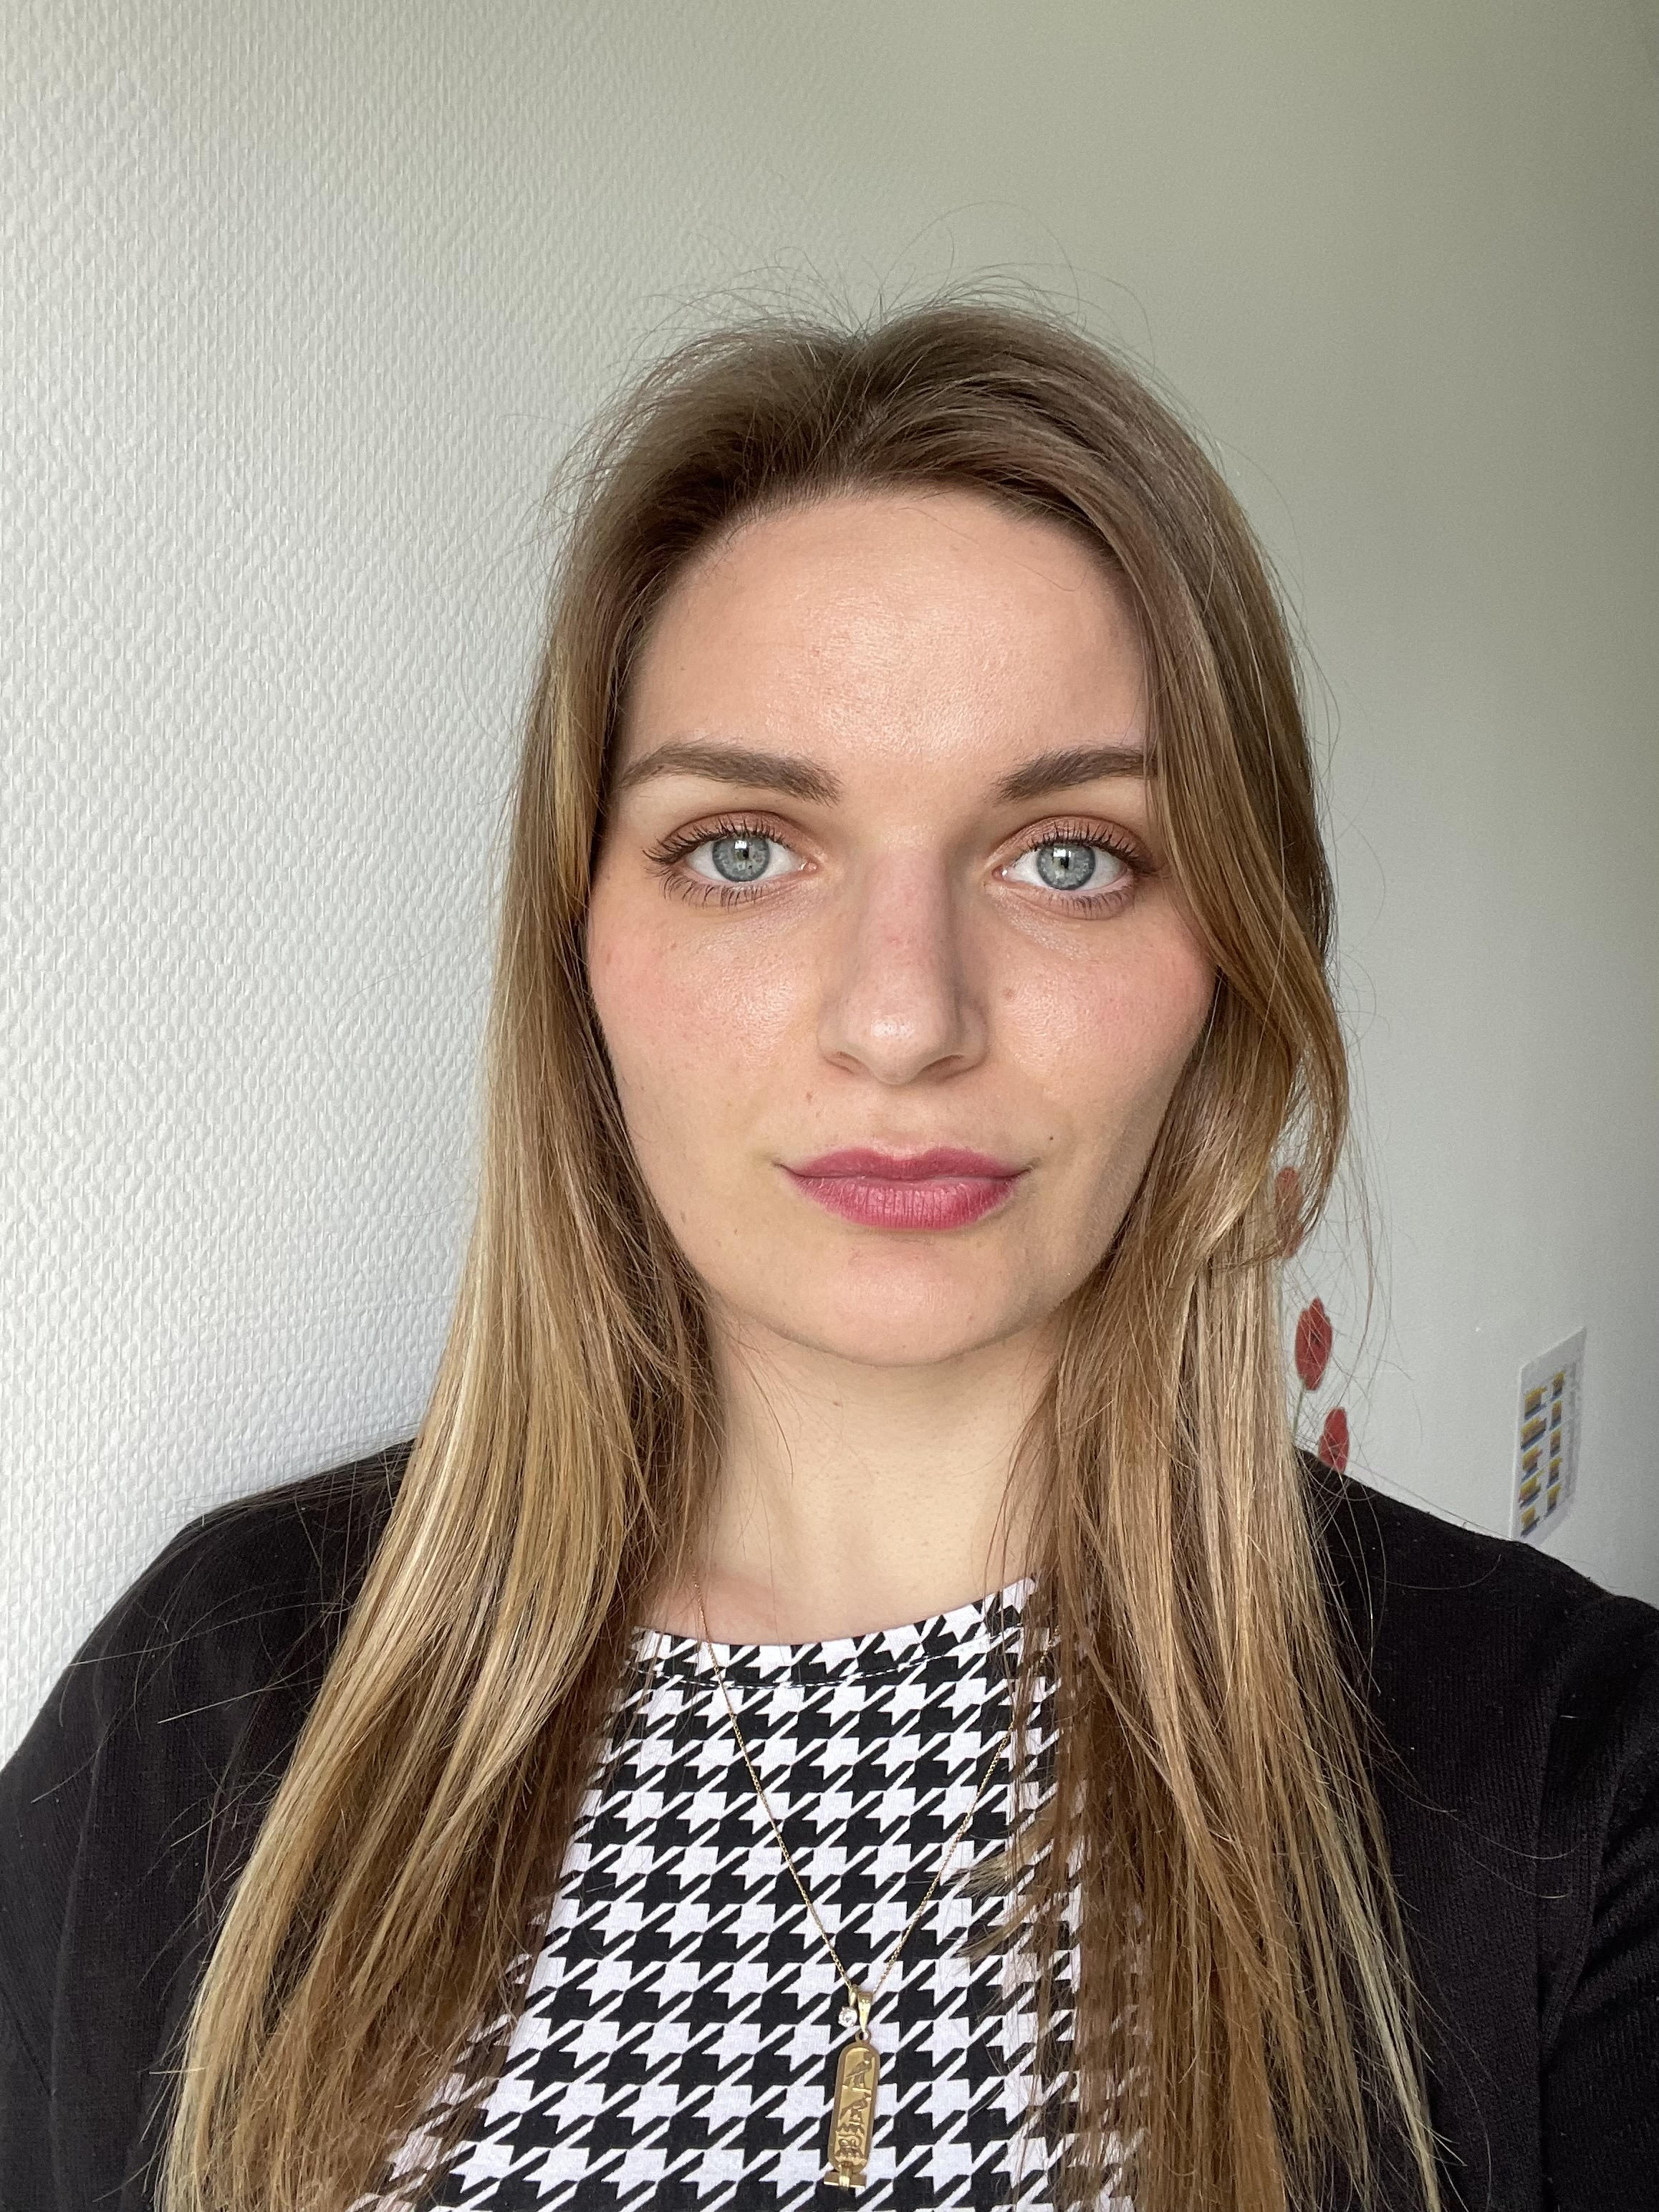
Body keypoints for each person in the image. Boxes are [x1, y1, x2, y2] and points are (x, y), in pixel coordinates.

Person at [1, 301, 1655, 2212]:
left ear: (1232, 960)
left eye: (1069, 855)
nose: (902, 1020)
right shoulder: (211, 1705)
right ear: (576, 948)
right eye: (742, 848)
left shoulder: (1572, 1786)